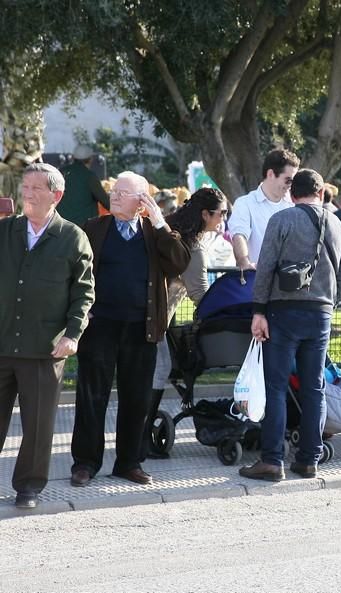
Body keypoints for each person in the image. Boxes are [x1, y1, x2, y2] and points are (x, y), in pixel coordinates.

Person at [71, 171, 191, 487]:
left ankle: (129, 462)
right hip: (100, 325)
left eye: (123, 193)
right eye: (115, 191)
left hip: (142, 327)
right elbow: (76, 271)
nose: (114, 196)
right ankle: (85, 462)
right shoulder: (94, 228)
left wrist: (161, 222)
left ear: (142, 201)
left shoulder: (154, 232)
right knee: (91, 395)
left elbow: (179, 263)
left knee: (136, 398)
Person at [239, 169, 341, 481]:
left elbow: (265, 269)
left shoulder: (283, 220)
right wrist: (329, 301)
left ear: (292, 193)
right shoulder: (339, 225)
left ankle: (273, 460)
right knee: (314, 386)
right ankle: (308, 458)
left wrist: (258, 310)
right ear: (321, 193)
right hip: (321, 314)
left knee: (276, 386)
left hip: (283, 311)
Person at [0, 163, 94, 509]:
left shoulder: (72, 237)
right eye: (24, 186)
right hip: (2, 342)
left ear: (56, 195)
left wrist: (72, 334)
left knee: (38, 427)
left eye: (36, 188)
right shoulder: (5, 231)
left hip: (44, 349)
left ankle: (28, 488)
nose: (27, 192)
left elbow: (84, 293)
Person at [144, 188, 229, 458]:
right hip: (152, 318)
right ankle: (143, 436)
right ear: (205, 214)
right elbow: (200, 294)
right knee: (160, 369)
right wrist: (225, 315)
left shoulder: (173, 230)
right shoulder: (192, 246)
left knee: (150, 372)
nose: (224, 219)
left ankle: (141, 433)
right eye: (221, 213)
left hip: (148, 314)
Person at [229, 149, 300, 270]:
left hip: (289, 282)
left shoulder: (295, 205)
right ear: (271, 174)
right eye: (288, 180)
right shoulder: (244, 204)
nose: (291, 185)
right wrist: (244, 262)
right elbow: (239, 235)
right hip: (257, 280)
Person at [57, 144, 110, 227]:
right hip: (84, 228)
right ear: (90, 159)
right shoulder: (89, 176)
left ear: (73, 158)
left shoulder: (60, 173)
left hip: (60, 226)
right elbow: (106, 202)